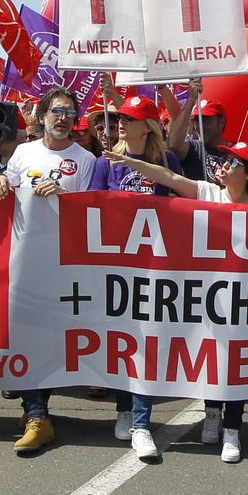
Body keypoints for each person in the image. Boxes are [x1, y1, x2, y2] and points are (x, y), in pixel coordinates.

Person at [105, 141, 248, 463]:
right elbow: (168, 177)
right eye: (224, 158)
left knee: (232, 358)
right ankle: (141, 426)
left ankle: (230, 430)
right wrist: (129, 162)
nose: (224, 163)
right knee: (154, 345)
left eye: (233, 161)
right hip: (186, 291)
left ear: (247, 174)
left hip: (233, 298)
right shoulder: (209, 193)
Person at [0, 87, 95, 455]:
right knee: (25, 337)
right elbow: (7, 185)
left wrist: (66, 197)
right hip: (23, 263)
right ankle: (36, 412)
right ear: (42, 116)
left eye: (69, 112)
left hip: (62, 267)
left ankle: (37, 412)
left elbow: (92, 213)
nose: (63, 118)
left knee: (49, 342)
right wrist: (1, 180)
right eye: (56, 111)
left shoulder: (85, 160)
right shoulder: (22, 152)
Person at [88, 95, 181, 462]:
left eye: (130, 118)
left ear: (149, 125)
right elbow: (91, 205)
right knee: (121, 340)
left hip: (154, 267)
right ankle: (123, 409)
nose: (121, 123)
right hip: (114, 266)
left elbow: (185, 207)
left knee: (146, 341)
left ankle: (140, 422)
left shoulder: (166, 161)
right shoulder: (104, 162)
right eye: (120, 117)